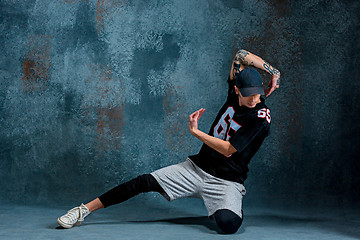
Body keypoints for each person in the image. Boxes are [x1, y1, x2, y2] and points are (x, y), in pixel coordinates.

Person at [57, 49, 280, 234]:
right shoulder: (234, 94)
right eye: (248, 94)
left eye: (257, 94)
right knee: (143, 182)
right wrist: (273, 71)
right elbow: (241, 55)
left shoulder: (261, 117)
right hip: (197, 169)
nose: (254, 99)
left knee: (229, 225)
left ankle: (229, 204)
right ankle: (83, 210)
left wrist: (196, 132)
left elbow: (229, 148)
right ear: (236, 90)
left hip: (226, 181)